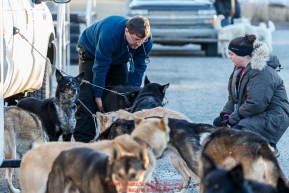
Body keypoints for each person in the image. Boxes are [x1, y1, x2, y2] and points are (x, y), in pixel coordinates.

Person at [73, 15, 153, 143]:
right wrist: (98, 96)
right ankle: (84, 144)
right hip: (91, 51)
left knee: (121, 97)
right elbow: (100, 67)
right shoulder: (109, 34)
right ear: (126, 31)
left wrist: (133, 94)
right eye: (136, 39)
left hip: (119, 57)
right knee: (87, 98)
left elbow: (138, 69)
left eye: (142, 41)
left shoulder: (145, 41)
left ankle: (115, 139)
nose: (139, 44)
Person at [213, 34, 289, 157]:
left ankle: (268, 148)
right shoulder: (239, 69)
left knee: (238, 132)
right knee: (220, 127)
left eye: (232, 54)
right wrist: (225, 115)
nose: (229, 57)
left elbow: (256, 104)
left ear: (242, 55)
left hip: (274, 116)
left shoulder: (261, 72)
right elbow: (233, 97)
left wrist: (233, 119)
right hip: (258, 112)